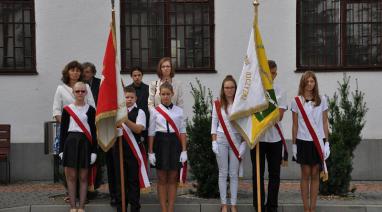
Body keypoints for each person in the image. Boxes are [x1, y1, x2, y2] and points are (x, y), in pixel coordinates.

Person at [52, 60, 96, 203]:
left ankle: (83, 195)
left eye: (78, 70)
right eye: (72, 70)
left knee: (83, 165)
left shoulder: (86, 87)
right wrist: (68, 121)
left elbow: (92, 106)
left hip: (85, 132)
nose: (75, 73)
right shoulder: (60, 89)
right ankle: (71, 194)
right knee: (69, 165)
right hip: (68, 131)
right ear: (67, 72)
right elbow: (57, 110)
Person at [251, 60, 288, 212]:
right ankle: (258, 205)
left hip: (275, 139)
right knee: (257, 174)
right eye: (268, 73)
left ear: (276, 74)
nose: (271, 76)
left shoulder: (280, 91)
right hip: (258, 138)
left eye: (274, 73)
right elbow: (250, 113)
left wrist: (265, 115)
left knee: (274, 174)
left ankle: (272, 206)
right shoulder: (255, 92)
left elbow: (279, 116)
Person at [291, 71, 330, 212]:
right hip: (302, 140)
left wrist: (327, 143)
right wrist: (294, 145)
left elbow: (325, 122)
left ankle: (312, 208)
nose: (309, 84)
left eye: (312, 81)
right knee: (305, 173)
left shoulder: (322, 99)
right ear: (303, 83)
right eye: (307, 81)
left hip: (317, 141)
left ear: (315, 83)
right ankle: (305, 208)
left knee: (315, 174)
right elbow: (294, 125)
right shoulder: (296, 101)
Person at [148, 82, 187, 212]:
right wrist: (151, 151)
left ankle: (170, 209)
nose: (165, 96)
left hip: (174, 144)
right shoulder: (154, 111)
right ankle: (164, 209)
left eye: (168, 94)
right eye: (163, 94)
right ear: (159, 95)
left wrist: (184, 150)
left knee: (173, 178)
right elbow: (151, 132)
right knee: (162, 178)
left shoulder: (179, 111)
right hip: (160, 143)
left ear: (172, 94)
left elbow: (182, 131)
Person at [59, 82, 98, 212]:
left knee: (83, 177)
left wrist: (94, 151)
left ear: (86, 93)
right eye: (77, 91)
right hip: (70, 143)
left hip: (85, 144)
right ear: (73, 93)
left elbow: (93, 131)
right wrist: (61, 150)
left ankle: (81, 206)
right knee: (71, 177)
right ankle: (73, 206)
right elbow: (63, 131)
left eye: (82, 91)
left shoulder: (91, 110)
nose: (80, 94)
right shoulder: (67, 109)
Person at [211, 75, 246, 212]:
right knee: (223, 173)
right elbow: (214, 124)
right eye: (226, 87)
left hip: (236, 140)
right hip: (221, 139)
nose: (229, 90)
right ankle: (224, 204)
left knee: (233, 173)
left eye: (232, 87)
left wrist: (244, 143)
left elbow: (244, 125)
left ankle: (233, 204)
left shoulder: (240, 104)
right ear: (223, 89)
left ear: (235, 88)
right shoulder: (218, 104)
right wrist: (214, 141)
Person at [114, 86, 149, 212]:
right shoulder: (116, 112)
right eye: (126, 97)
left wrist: (125, 120)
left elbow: (139, 129)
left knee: (133, 182)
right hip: (119, 150)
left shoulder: (140, 112)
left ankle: (135, 209)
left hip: (133, 151)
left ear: (136, 98)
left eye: (131, 97)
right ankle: (120, 208)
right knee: (120, 182)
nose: (128, 100)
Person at [128, 66, 150, 149]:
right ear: (131, 76)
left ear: (142, 76)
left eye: (139, 75)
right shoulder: (127, 90)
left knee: (145, 149)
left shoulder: (148, 89)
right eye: (135, 75)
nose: (137, 77)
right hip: (131, 123)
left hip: (145, 124)